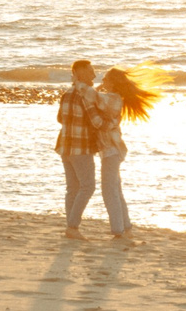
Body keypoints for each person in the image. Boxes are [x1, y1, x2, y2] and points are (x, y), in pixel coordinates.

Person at [93, 63, 168, 240]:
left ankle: (118, 229)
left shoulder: (112, 98)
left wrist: (82, 85)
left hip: (112, 149)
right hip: (112, 150)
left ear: (112, 82)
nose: (102, 80)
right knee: (115, 189)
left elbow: (92, 97)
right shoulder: (113, 96)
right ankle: (125, 226)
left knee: (109, 190)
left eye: (105, 78)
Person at [54, 59, 107, 238]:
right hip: (80, 147)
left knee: (73, 188)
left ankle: (71, 226)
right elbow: (96, 121)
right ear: (80, 72)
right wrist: (112, 122)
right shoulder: (86, 93)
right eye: (91, 70)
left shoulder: (67, 93)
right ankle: (73, 226)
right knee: (88, 186)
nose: (94, 74)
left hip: (65, 146)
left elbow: (60, 118)